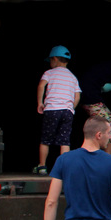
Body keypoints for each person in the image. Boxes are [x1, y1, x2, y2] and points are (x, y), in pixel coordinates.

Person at [35, 45, 81, 174]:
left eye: (50, 60)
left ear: (54, 59)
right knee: (64, 140)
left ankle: (42, 166)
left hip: (52, 110)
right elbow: (77, 96)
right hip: (67, 111)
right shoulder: (73, 77)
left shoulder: (49, 73)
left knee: (45, 139)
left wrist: (40, 102)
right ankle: (64, 168)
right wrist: (71, 107)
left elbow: (41, 86)